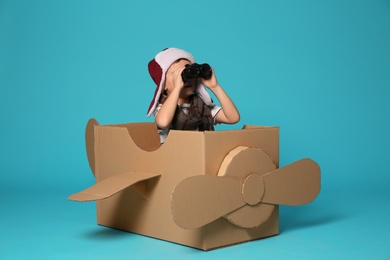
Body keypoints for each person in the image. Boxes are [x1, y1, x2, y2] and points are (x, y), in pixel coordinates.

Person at [147, 47, 240, 143]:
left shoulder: (202, 106)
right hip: (172, 154)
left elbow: (233, 118)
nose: (186, 79)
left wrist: (214, 87)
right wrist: (177, 88)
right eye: (178, 75)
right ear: (163, 85)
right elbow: (163, 122)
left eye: (188, 72)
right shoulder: (163, 107)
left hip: (199, 154)